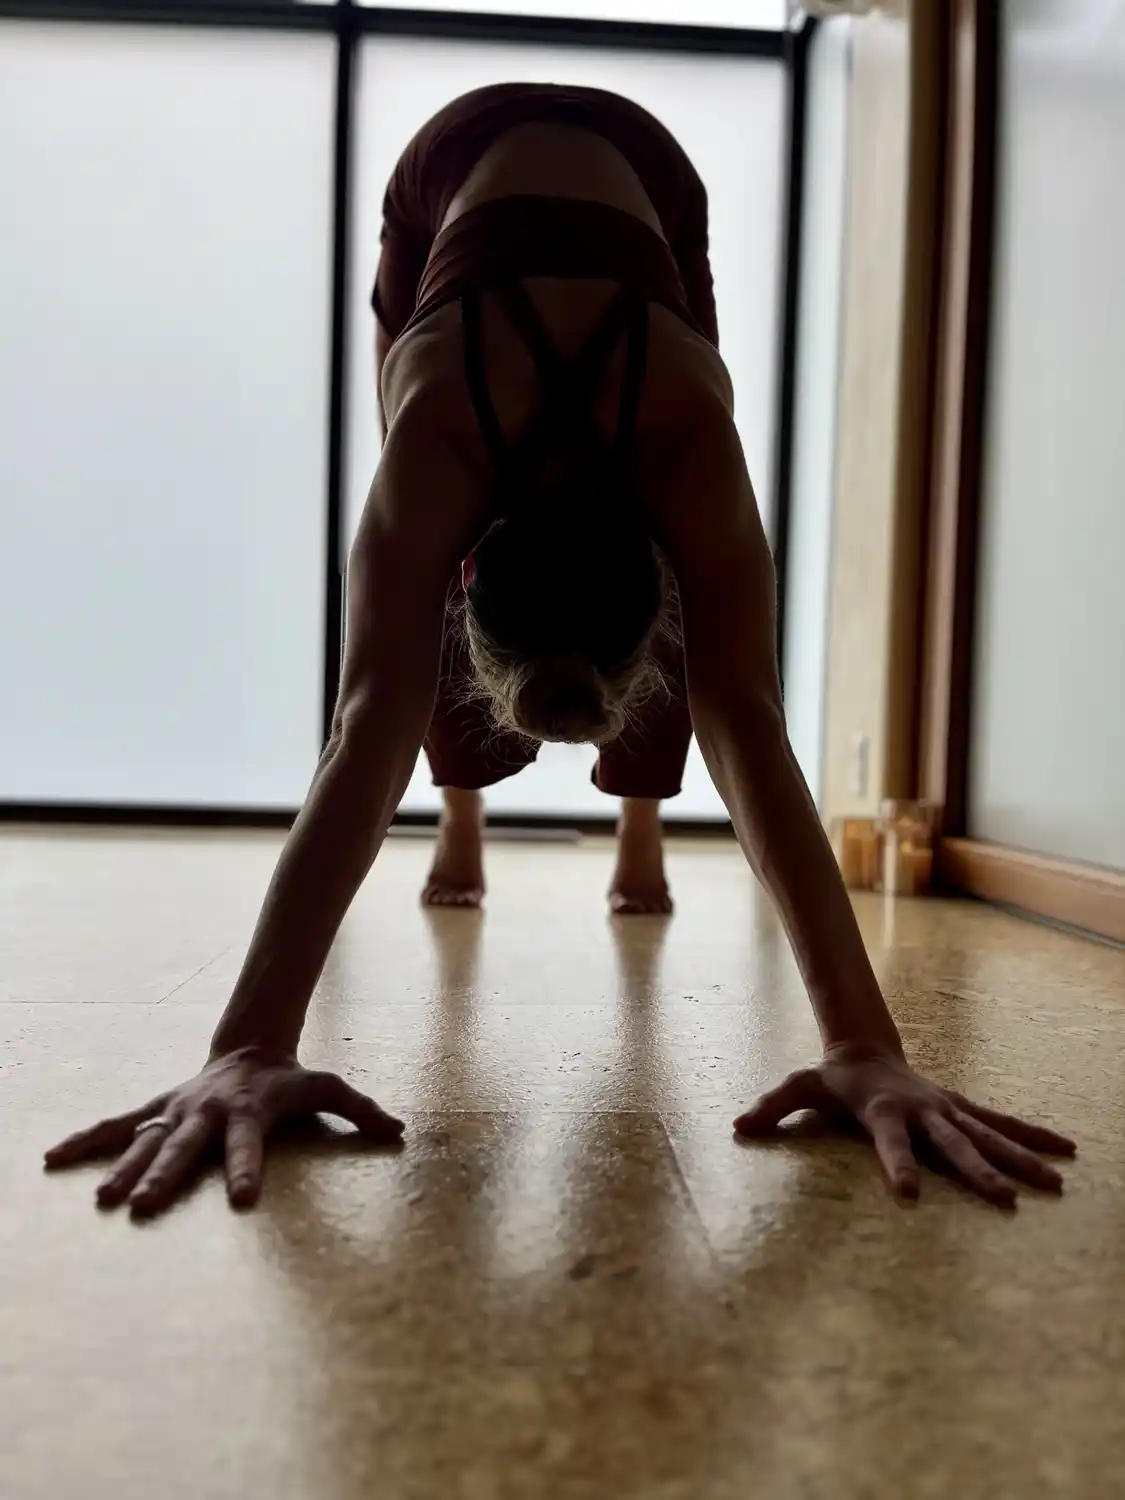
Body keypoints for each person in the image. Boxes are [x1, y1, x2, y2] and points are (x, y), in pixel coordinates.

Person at [43, 84, 1075, 1216]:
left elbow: (391, 721)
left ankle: (624, 829)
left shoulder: (623, 424)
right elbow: (730, 719)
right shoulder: (510, 423)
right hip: (570, 184)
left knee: (407, 643)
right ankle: (467, 817)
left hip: (515, 214)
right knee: (406, 636)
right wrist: (245, 1045)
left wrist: (867, 1047)